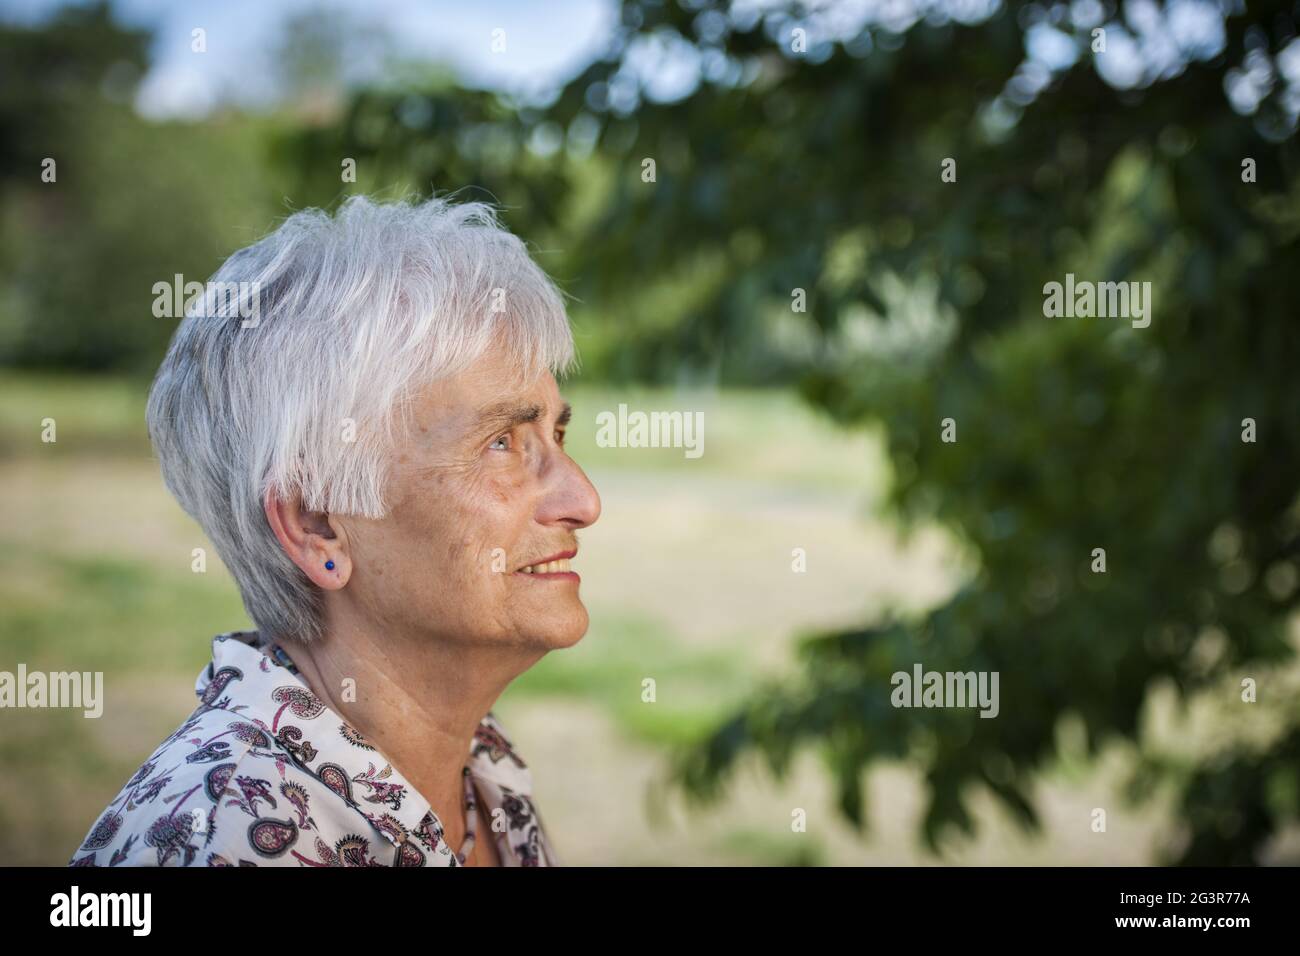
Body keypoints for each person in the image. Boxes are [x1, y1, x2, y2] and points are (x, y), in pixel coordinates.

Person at [69, 194, 601, 866]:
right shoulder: (218, 842)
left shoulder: (484, 773)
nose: (583, 500)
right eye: (501, 442)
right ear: (317, 525)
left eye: (554, 433)